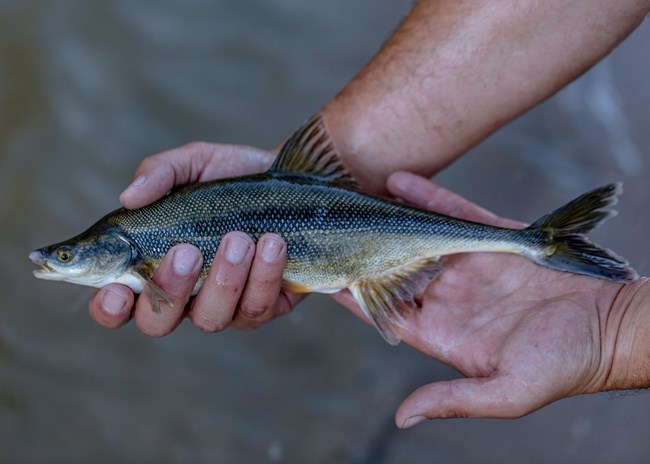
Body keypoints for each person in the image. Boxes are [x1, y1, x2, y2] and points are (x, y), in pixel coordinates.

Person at [88, 0, 650, 428]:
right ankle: (537, 242)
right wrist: (614, 329)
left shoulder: (137, 246)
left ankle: (538, 241)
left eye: (70, 257)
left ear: (107, 251)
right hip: (318, 200)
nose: (55, 260)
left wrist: (618, 335)